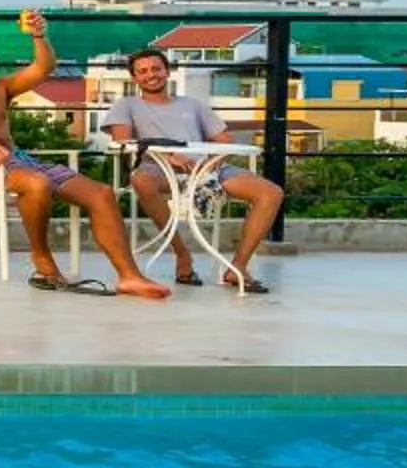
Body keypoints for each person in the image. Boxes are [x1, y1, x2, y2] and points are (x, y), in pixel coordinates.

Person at [0, 14, 167, 298]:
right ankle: (42, 261)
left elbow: (44, 68)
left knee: (101, 193)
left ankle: (130, 277)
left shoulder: (1, 89)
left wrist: (38, 36)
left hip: (21, 162)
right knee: (37, 183)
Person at [104, 47, 287, 293]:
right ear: (135, 78)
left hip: (204, 168)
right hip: (156, 168)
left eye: (156, 69)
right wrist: (168, 157)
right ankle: (182, 254)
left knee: (271, 193)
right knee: (141, 181)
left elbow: (223, 139)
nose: (151, 75)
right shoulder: (126, 105)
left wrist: (209, 164)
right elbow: (123, 143)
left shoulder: (193, 104)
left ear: (167, 71)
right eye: (143, 71)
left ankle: (238, 268)